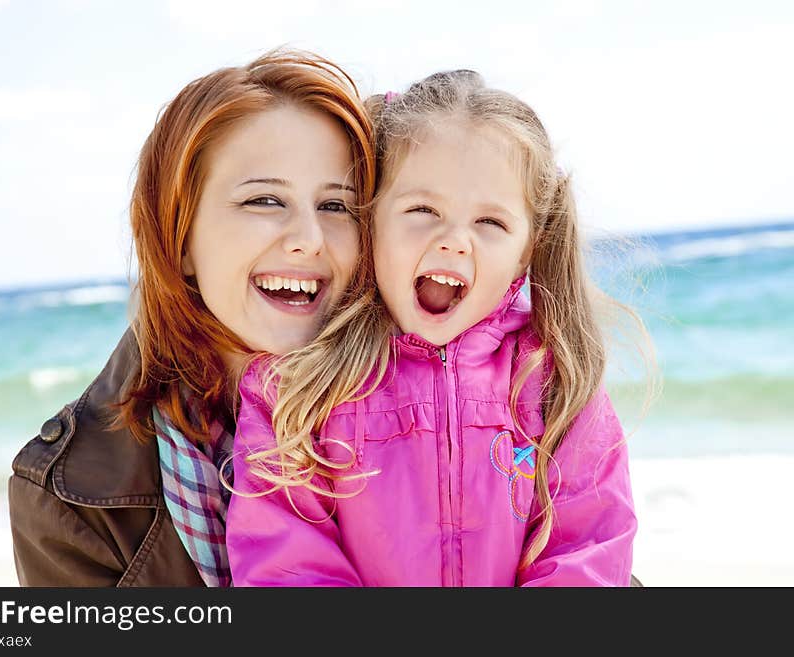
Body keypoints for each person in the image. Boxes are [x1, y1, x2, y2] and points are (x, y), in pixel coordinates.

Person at [226, 70, 651, 586]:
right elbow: (285, 562)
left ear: (527, 250)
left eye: (490, 223)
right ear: (371, 220)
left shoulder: (554, 383)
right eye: (422, 210)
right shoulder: (298, 389)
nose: (454, 240)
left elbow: (590, 548)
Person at [7, 48, 376, 586]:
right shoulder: (69, 499)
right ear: (178, 238)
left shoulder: (444, 413)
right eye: (264, 201)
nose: (309, 240)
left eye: (336, 206)